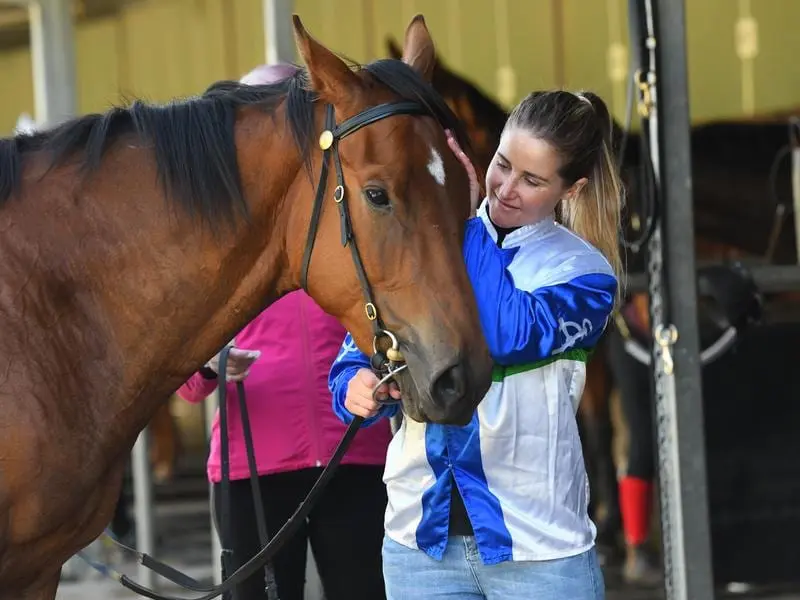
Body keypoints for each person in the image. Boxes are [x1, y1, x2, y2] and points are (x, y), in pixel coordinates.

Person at [328, 90, 624, 599]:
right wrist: (354, 383)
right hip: (419, 544)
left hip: (539, 551)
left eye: (532, 180)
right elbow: (363, 343)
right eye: (502, 165)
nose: (506, 188)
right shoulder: (426, 244)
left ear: (571, 189)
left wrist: (464, 219)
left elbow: (509, 335)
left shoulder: (585, 273)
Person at [175, 64, 392, 600]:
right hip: (253, 466)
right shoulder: (213, 229)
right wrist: (211, 362)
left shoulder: (349, 213)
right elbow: (184, 382)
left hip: (357, 450)